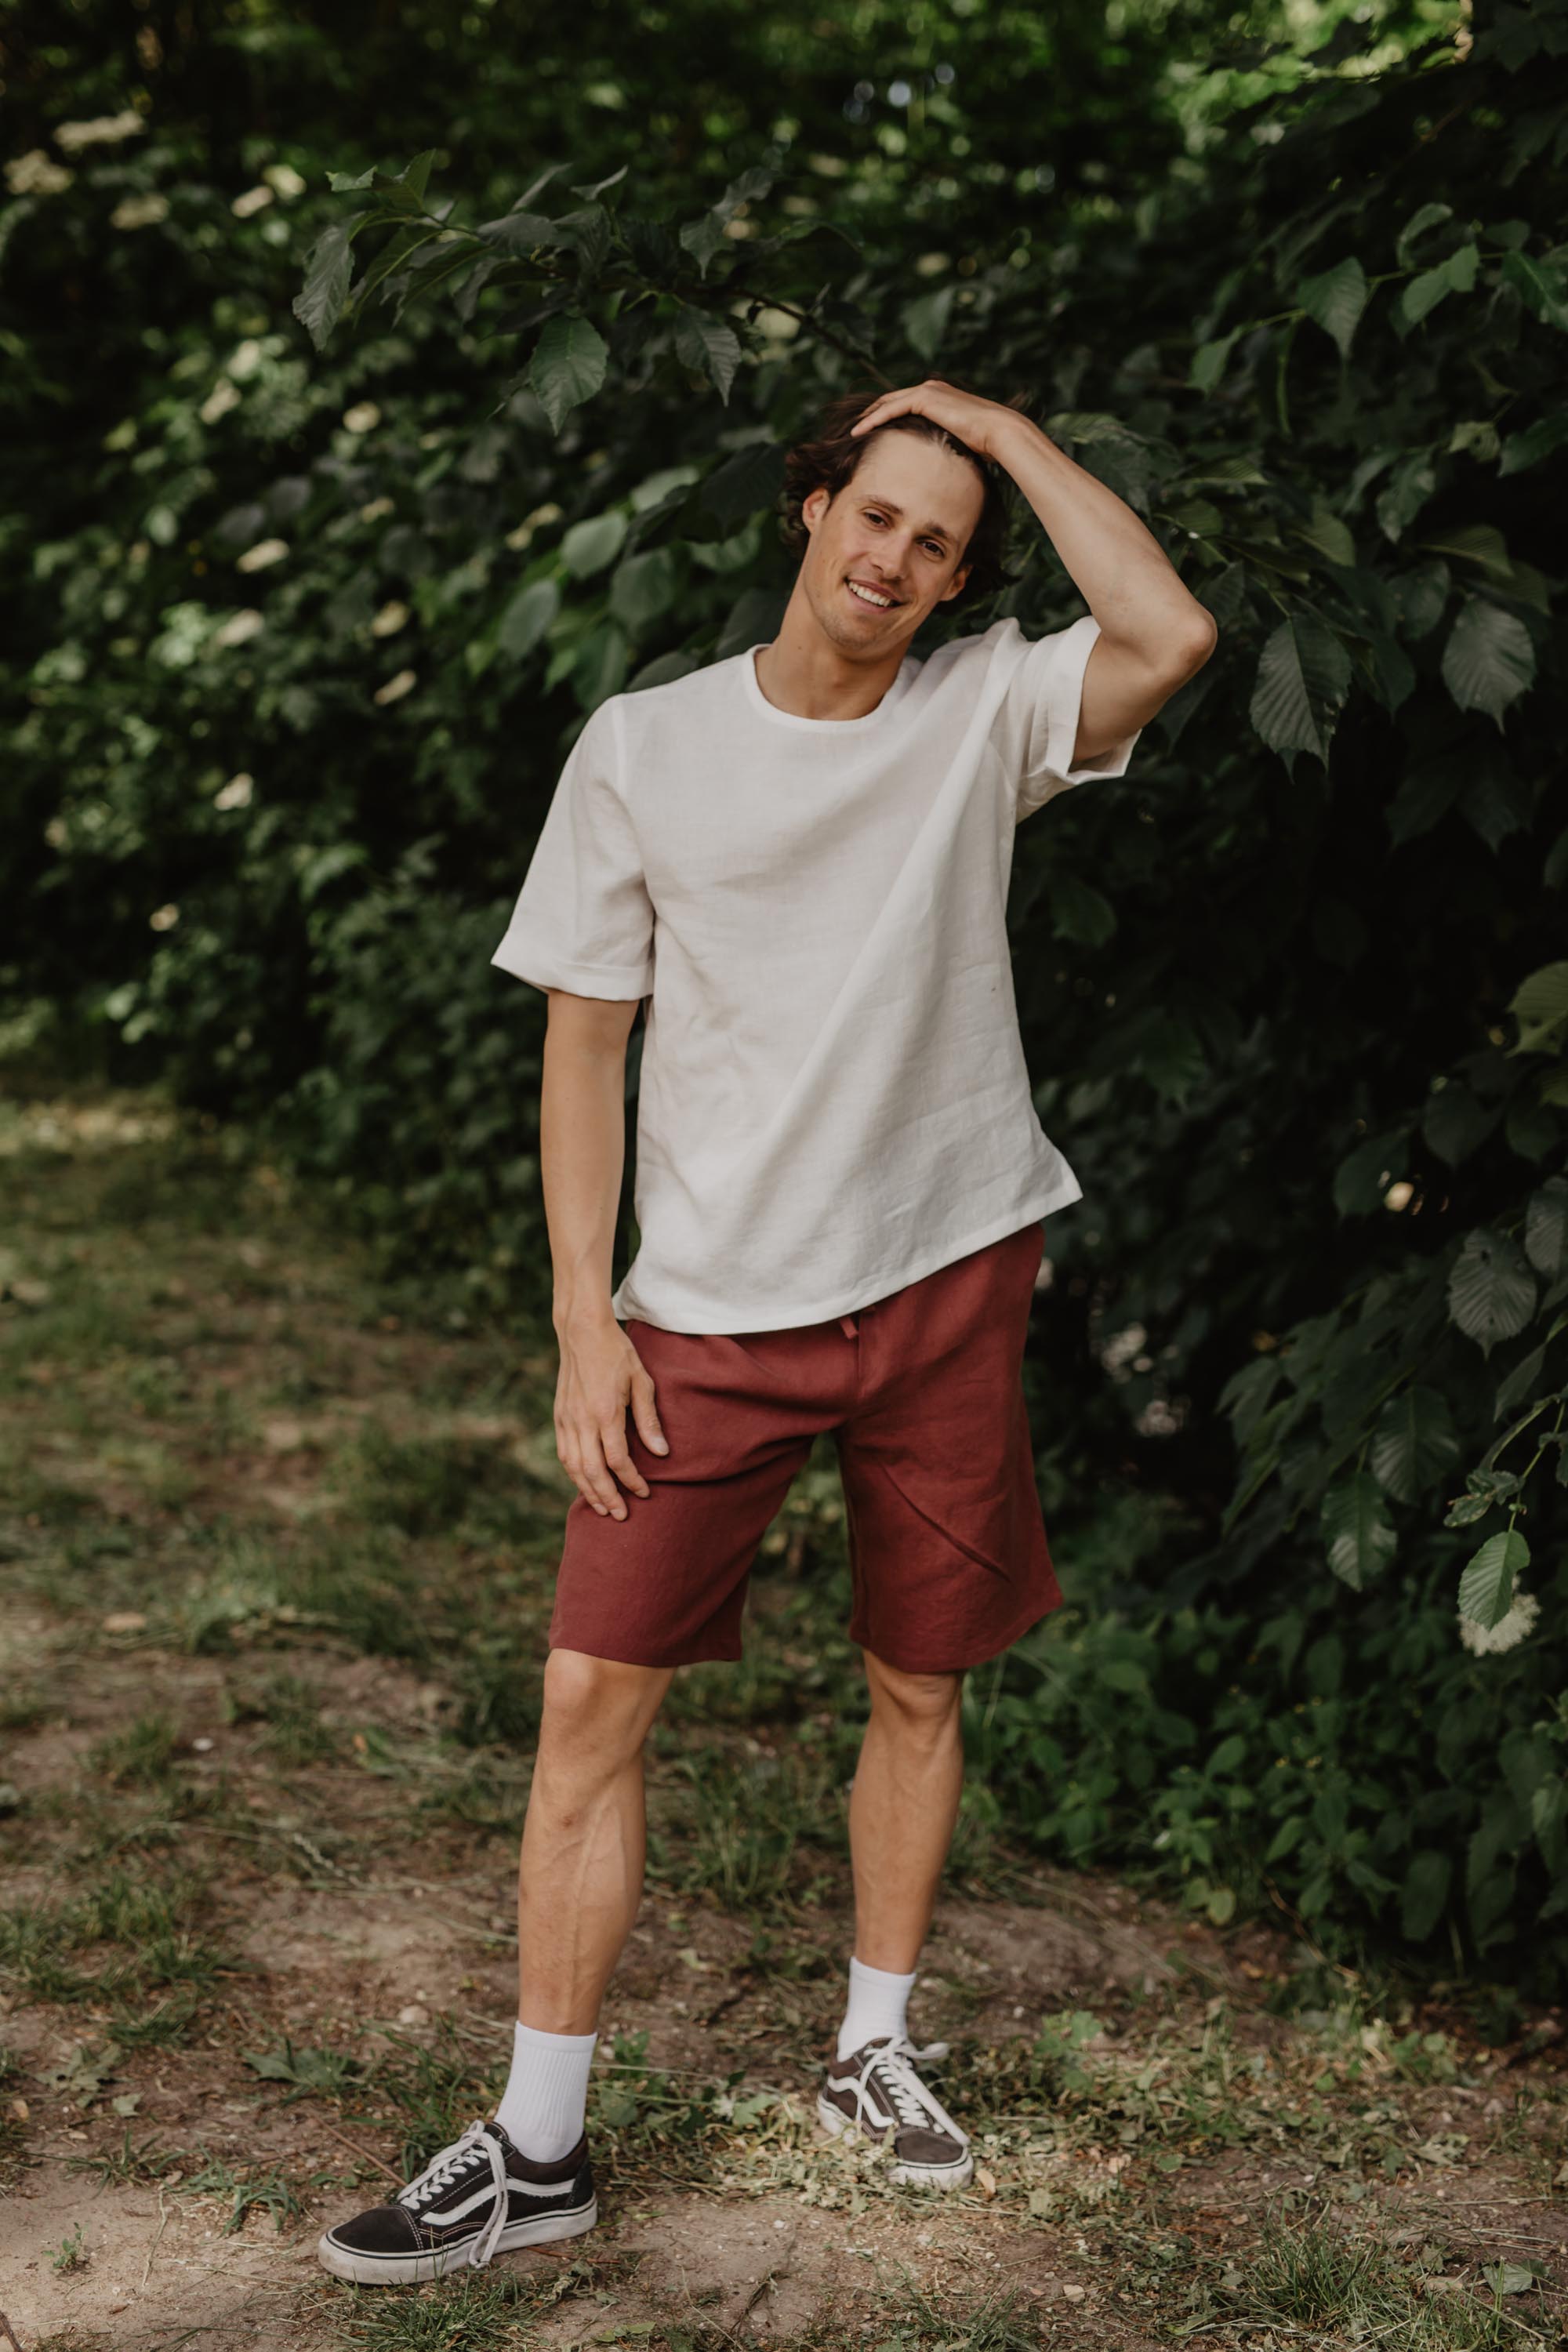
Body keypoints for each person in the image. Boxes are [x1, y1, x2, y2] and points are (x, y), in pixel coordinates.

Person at [318, 376, 1217, 2284]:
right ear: (810, 512)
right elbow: (584, 1036)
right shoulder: (644, 746)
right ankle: (539, 2140)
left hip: (945, 1264)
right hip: (708, 1310)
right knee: (587, 1703)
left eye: (940, 543)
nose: (898, 559)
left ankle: (871, 2050)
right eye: (878, 513)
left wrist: (993, 426)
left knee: (918, 1681)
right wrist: (585, 1324)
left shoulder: (984, 715)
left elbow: (1169, 632)